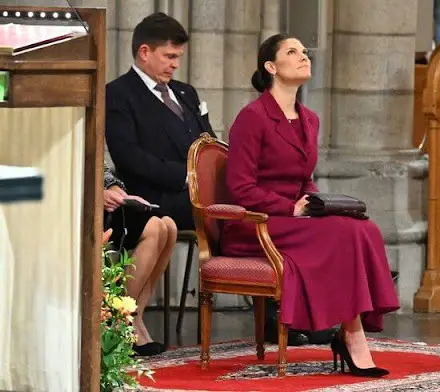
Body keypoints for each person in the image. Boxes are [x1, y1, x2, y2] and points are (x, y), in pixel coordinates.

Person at [222, 33, 400, 378]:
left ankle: (351, 331)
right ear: (271, 66)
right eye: (293, 52)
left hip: (296, 220)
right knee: (343, 233)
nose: (304, 57)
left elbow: (304, 181)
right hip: (256, 223)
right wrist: (290, 208)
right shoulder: (252, 117)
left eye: (305, 52)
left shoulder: (310, 119)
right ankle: (352, 338)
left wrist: (320, 205)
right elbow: (240, 188)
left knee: (362, 226)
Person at [105, 12, 216, 231]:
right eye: (169, 56)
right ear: (145, 52)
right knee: (227, 214)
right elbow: (129, 157)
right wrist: (186, 176)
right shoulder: (118, 93)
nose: (175, 65)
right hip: (154, 200)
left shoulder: (186, 92)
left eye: (178, 57)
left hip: (197, 195)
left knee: (241, 205)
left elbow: (208, 141)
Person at [103, 160, 177, 356]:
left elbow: (102, 171)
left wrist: (115, 188)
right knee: (154, 227)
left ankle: (136, 316)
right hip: (87, 204)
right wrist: (100, 193)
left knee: (169, 226)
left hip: (109, 202)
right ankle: (121, 318)